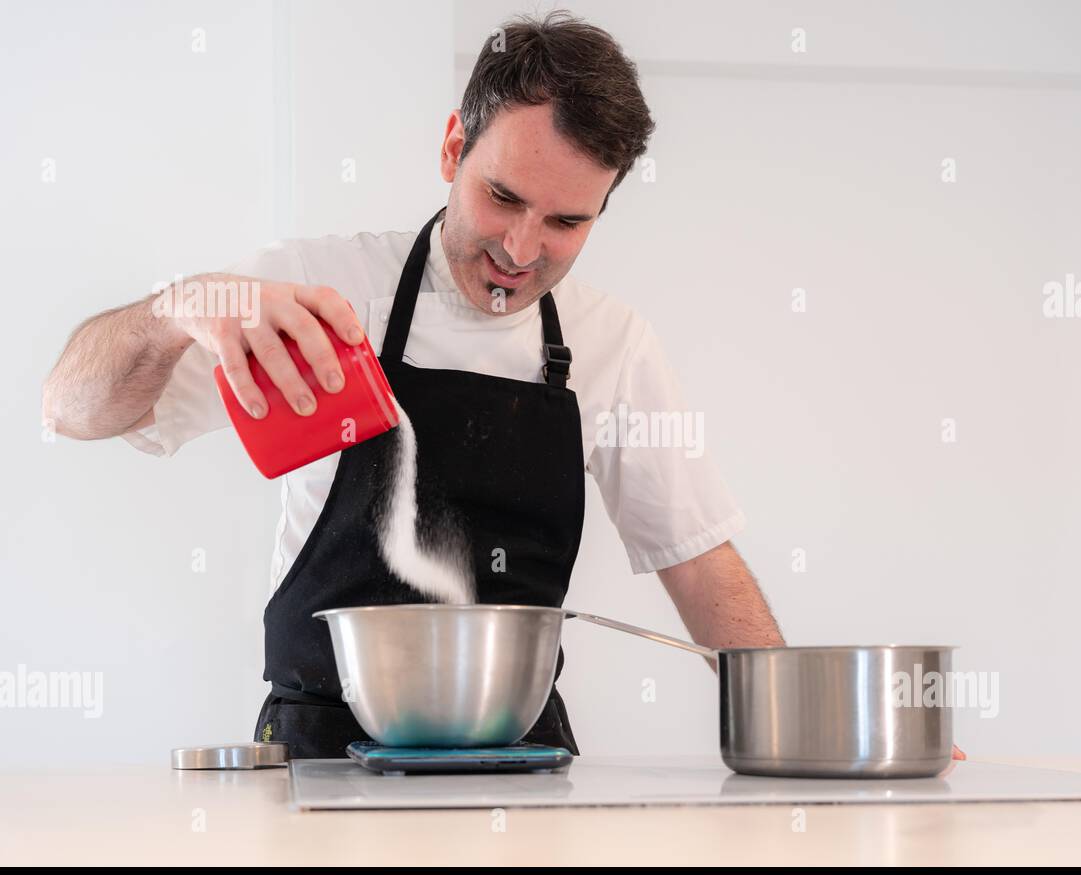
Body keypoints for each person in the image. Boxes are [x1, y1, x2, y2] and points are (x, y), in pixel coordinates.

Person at [41, 12, 793, 759]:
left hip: (522, 766)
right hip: (317, 757)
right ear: (452, 148)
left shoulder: (612, 342)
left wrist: (791, 741)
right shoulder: (313, 292)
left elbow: (697, 565)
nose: (520, 250)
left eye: (565, 221)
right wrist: (176, 310)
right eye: (502, 197)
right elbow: (70, 412)